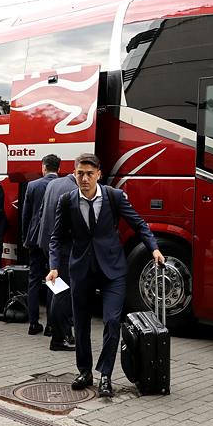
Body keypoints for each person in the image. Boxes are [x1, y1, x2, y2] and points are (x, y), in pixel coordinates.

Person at [46, 153, 164, 397]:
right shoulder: (67, 201)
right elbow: (56, 237)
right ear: (74, 174)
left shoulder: (114, 196)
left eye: (90, 174)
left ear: (99, 174)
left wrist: (154, 248)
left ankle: (106, 375)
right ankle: (85, 371)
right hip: (81, 270)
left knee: (111, 321)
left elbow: (139, 224)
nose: (84, 178)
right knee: (81, 323)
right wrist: (54, 266)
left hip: (112, 269)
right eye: (80, 173)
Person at [37, 170, 78, 351]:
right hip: (63, 248)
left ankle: (53, 328)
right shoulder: (73, 190)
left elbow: (42, 211)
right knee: (63, 294)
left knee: (55, 289)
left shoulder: (53, 183)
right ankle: (61, 336)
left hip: (49, 244)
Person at [22, 154, 61, 337]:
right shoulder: (63, 186)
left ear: (43, 167)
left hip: (35, 237)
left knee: (34, 279)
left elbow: (26, 215)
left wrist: (26, 237)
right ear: (59, 169)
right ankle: (51, 325)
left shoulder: (32, 186)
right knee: (54, 279)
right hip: (54, 239)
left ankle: (33, 323)